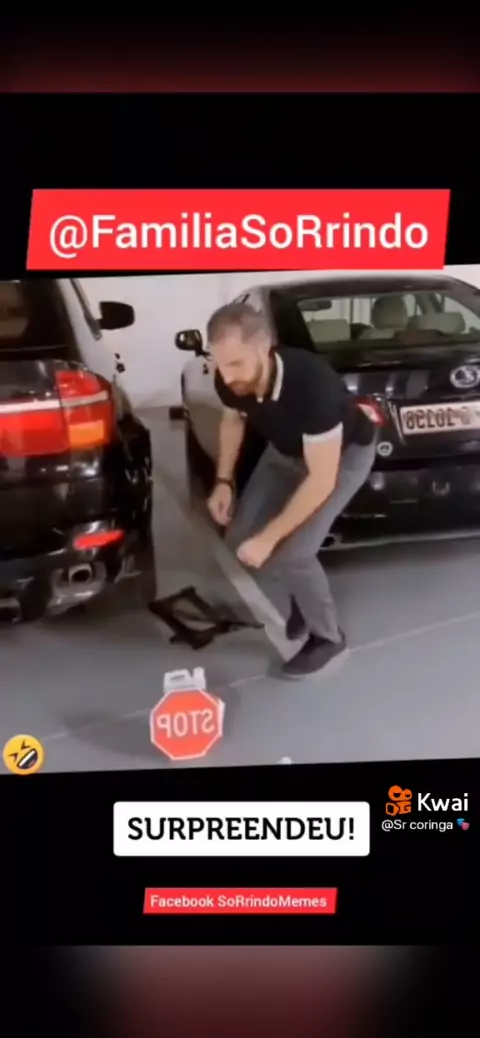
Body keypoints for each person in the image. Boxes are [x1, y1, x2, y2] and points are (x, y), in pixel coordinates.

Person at [206, 302, 377, 678]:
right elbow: (233, 419)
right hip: (284, 452)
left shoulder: (311, 385)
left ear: (263, 346)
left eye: (235, 364)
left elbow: (321, 479)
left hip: (342, 457)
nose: (227, 376)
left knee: (294, 553)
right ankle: (303, 594)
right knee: (240, 538)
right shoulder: (229, 379)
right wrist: (224, 482)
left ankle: (328, 639)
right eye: (219, 364)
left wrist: (269, 539)